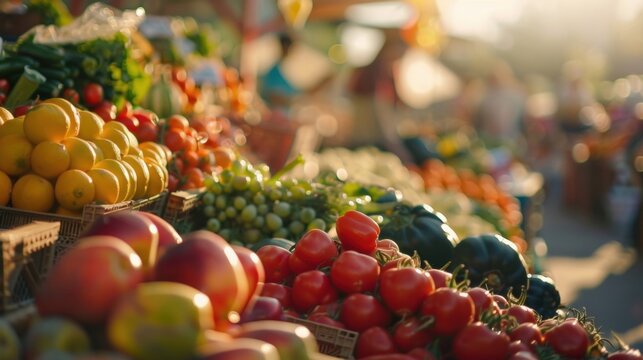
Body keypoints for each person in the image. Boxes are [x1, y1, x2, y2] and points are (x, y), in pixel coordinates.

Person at [344, 28, 414, 164]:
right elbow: (377, 111)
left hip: (372, 137)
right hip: (369, 139)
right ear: (391, 48)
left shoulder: (387, 72)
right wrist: (393, 144)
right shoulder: (374, 72)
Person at [258, 32, 302, 112]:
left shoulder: (281, 70)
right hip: (276, 116)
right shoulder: (274, 71)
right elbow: (274, 96)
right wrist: (294, 102)